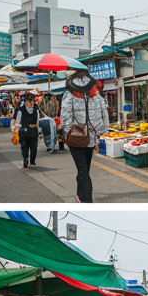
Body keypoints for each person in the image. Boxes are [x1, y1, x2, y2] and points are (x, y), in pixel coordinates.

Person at [60, 71, 110, 202]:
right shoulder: (95, 94)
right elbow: (103, 112)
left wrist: (66, 130)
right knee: (84, 170)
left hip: (75, 138)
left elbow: (65, 116)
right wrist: (102, 131)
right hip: (91, 138)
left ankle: (80, 194)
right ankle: (87, 201)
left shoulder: (69, 94)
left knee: (83, 170)